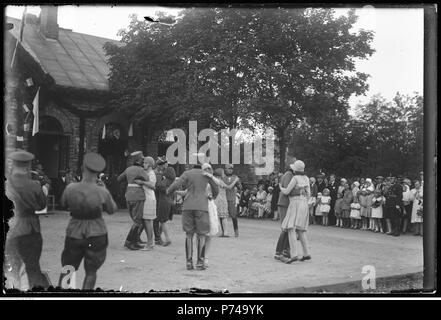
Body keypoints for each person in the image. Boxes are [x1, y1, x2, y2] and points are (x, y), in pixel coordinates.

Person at [58, 152, 117, 290]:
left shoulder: (70, 188)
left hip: (74, 231)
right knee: (91, 272)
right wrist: (105, 190)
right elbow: (112, 210)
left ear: (82, 167)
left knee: (68, 267)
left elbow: (63, 203)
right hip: (97, 232)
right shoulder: (102, 191)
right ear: (98, 172)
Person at [4, 150, 50, 290]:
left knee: (12, 270)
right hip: (32, 230)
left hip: (12, 230)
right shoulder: (34, 185)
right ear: (28, 166)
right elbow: (42, 205)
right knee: (33, 268)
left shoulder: (7, 184)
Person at [166, 161, 219, 270]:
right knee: (201, 235)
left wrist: (168, 192)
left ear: (192, 165)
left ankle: (189, 262)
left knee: (189, 234)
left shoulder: (187, 173)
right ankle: (200, 262)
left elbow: (176, 184)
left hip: (188, 206)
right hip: (202, 207)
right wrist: (211, 196)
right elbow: (216, 189)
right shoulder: (206, 174)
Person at [279, 160, 311, 263]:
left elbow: (287, 191)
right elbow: (309, 194)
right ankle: (306, 253)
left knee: (290, 228)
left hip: (295, 202)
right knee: (301, 230)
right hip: (304, 203)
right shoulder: (306, 178)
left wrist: (280, 187)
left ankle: (294, 254)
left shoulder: (295, 178)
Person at [117, 151, 149, 250]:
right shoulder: (140, 170)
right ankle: (131, 243)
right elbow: (147, 179)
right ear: (139, 160)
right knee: (138, 221)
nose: (143, 160)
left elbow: (119, 179)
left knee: (135, 220)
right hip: (138, 196)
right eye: (142, 159)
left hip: (129, 196)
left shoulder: (128, 169)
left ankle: (131, 242)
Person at [273, 164, 294, 261]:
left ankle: (286, 250)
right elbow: (287, 189)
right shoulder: (289, 174)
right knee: (285, 228)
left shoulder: (289, 174)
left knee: (289, 227)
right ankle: (279, 252)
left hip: (286, 203)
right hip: (285, 203)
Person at [135, 156, 157, 251]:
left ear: (149, 164)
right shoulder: (148, 172)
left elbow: (152, 185)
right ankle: (150, 243)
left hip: (149, 199)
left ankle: (149, 244)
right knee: (148, 222)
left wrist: (141, 182)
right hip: (148, 198)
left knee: (148, 221)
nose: (143, 164)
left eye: (145, 163)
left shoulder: (151, 173)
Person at [155, 166, 176, 246]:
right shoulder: (173, 182)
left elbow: (157, 186)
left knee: (162, 221)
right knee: (163, 220)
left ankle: (167, 239)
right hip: (171, 202)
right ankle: (158, 237)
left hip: (163, 202)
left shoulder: (164, 182)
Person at [212, 168, 236, 237]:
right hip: (222, 200)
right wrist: (235, 181)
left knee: (219, 216)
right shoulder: (220, 181)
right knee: (224, 217)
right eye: (223, 173)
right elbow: (229, 187)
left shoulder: (213, 181)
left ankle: (221, 232)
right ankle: (225, 232)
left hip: (216, 199)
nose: (224, 174)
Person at [153, 157, 168, 245]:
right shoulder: (158, 173)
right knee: (157, 218)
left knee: (156, 218)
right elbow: (158, 186)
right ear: (161, 165)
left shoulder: (159, 173)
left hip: (157, 197)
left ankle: (157, 237)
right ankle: (157, 238)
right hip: (157, 197)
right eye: (165, 164)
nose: (166, 166)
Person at [223, 164, 241, 237]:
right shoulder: (222, 177)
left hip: (231, 199)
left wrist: (238, 183)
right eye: (229, 168)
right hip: (223, 199)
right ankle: (224, 232)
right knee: (223, 216)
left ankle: (236, 232)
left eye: (231, 169)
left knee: (234, 216)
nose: (230, 170)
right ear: (225, 169)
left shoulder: (235, 177)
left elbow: (240, 187)